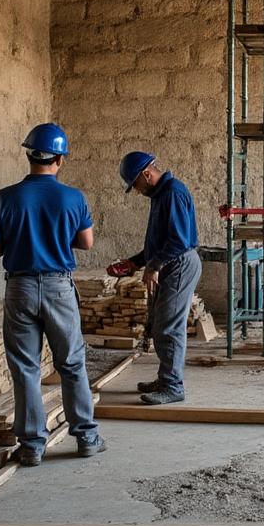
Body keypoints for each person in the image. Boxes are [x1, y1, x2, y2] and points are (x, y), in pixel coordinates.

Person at [0, 123, 105, 467]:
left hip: (19, 287)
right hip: (59, 287)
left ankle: (32, 444)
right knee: (71, 363)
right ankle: (86, 436)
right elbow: (86, 242)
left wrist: (19, 237)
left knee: (25, 367)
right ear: (60, 159)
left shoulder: (4, 198)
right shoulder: (73, 198)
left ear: (29, 154)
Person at [107, 150, 202, 405]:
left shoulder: (172, 193)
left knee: (168, 327)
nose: (136, 190)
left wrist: (153, 267)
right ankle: (165, 378)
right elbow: (159, 243)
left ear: (146, 175)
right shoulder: (161, 195)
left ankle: (173, 386)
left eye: (135, 184)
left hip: (179, 264)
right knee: (161, 322)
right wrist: (135, 262)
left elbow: (179, 242)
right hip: (171, 262)